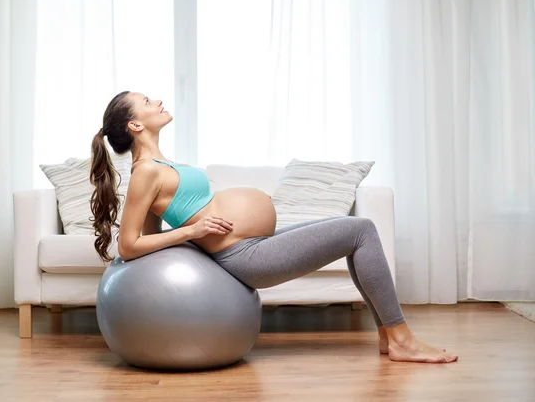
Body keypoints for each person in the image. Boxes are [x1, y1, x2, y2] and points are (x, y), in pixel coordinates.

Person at [89, 91, 458, 364]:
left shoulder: (158, 163)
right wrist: (192, 231)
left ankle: (388, 337)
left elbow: (152, 231)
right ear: (135, 125)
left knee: (356, 231)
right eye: (147, 101)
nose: (158, 101)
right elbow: (130, 244)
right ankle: (401, 339)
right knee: (360, 231)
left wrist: (191, 229)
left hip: (252, 242)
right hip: (245, 256)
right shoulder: (145, 172)